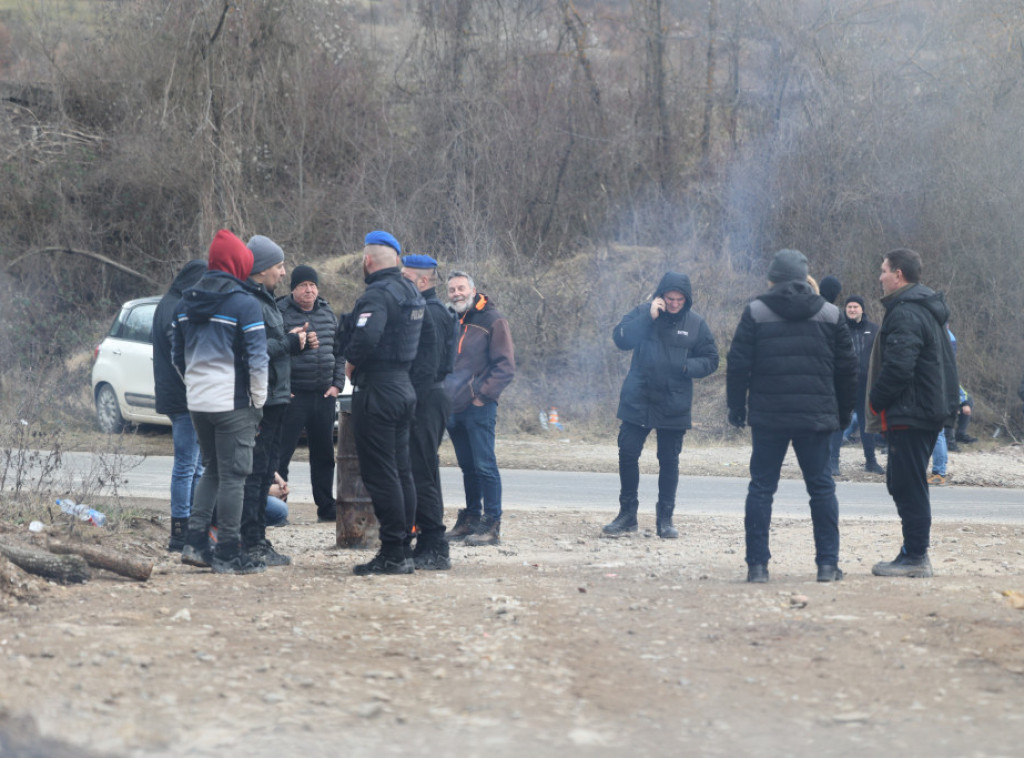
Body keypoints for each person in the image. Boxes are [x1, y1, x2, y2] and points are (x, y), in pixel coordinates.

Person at [726, 249, 857, 583]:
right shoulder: (830, 313)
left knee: (761, 489)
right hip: (816, 418)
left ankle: (757, 567)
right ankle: (827, 566)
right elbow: (846, 371)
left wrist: (737, 410)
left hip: (769, 417)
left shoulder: (755, 312)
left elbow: (738, 365)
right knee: (822, 489)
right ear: (804, 277)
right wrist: (842, 415)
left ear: (772, 278)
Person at [171, 230, 268, 575]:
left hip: (198, 403)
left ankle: (196, 543)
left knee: (212, 469)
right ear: (238, 264)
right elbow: (258, 359)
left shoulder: (185, 303)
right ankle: (228, 550)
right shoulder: (244, 303)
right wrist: (259, 402)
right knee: (234, 476)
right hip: (234, 403)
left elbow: (177, 357)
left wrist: (195, 387)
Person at [603, 272, 719, 538]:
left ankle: (665, 519)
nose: (675, 303)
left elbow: (712, 359)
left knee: (669, 461)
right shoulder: (644, 313)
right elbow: (620, 339)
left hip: (673, 400)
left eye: (680, 299)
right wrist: (648, 318)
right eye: (670, 298)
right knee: (628, 453)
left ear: (686, 300)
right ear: (660, 296)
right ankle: (627, 515)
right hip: (638, 397)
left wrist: (687, 366)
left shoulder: (696, 323)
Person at [867, 248, 959, 578]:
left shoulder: (906, 312)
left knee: (908, 485)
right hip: (921, 410)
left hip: (912, 412)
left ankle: (916, 556)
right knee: (902, 482)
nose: (880, 277)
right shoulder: (921, 308)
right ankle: (913, 553)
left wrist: (875, 401)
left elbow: (899, 367)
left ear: (899, 275)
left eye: (884, 270)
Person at [345, 231, 425, 575]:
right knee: (402, 471)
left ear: (368, 261)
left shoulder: (378, 294)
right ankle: (403, 547)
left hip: (378, 390)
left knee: (381, 474)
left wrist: (350, 363)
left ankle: (392, 551)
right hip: (404, 386)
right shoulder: (411, 290)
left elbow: (365, 337)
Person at [237, 235, 304, 568]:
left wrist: (296, 345)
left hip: (276, 399)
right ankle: (250, 542)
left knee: (265, 473)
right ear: (261, 269)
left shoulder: (265, 300)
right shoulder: (251, 303)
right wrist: (290, 344)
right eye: (279, 266)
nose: (283, 272)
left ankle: (258, 538)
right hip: (261, 402)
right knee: (256, 473)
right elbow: (256, 352)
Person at [444, 270, 516, 547]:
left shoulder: (492, 320)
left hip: (479, 406)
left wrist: (481, 396)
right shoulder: (450, 320)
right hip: (452, 406)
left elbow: (505, 366)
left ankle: (491, 523)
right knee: (467, 467)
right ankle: (471, 518)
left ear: (473, 290)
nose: (456, 294)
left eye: (461, 288)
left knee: (485, 466)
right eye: (452, 290)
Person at [401, 254, 457, 570]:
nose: (402, 284)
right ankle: (426, 540)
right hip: (426, 397)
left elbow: (427, 366)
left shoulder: (431, 313)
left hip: (426, 399)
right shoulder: (427, 310)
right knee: (422, 471)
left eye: (407, 278)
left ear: (424, 280)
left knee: (422, 473)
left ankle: (435, 546)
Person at [277, 264, 345, 522]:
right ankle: (277, 508)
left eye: (313, 285)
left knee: (324, 456)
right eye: (303, 285)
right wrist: (283, 388)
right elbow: (275, 354)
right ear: (293, 289)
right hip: (292, 397)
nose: (309, 290)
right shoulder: (279, 312)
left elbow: (340, 352)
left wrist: (337, 384)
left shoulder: (328, 313)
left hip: (323, 396)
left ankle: (327, 508)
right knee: (281, 456)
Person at [153, 259, 207, 551]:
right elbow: (181, 357)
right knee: (187, 465)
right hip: (184, 399)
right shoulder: (174, 308)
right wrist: (200, 387)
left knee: (195, 465)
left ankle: (191, 527)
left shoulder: (168, 302)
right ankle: (180, 531)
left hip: (180, 396)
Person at [844, 295, 885, 475]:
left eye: (855, 307)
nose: (852, 310)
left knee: (866, 424)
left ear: (862, 309)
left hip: (866, 385)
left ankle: (871, 461)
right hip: (843, 383)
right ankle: (832, 462)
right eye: (849, 307)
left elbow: (882, 356)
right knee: (838, 423)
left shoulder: (874, 330)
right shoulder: (840, 328)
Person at [818, 275, 846, 476]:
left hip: (816, 375)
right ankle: (832, 460)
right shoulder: (835, 314)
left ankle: (824, 459)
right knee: (834, 422)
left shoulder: (812, 310)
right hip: (832, 376)